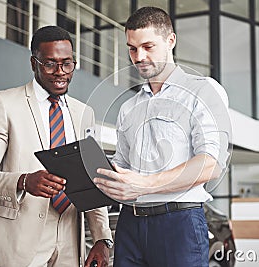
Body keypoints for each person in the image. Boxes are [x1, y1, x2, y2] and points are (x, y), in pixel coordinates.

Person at [94, 6, 230, 267]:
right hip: (130, 224)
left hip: (179, 224)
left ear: (171, 41)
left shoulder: (204, 90)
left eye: (148, 46)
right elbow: (123, 166)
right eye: (132, 48)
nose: (139, 57)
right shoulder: (128, 107)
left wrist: (144, 185)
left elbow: (211, 164)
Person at [0, 26, 112, 267]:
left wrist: (101, 239)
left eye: (67, 64)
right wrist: (23, 181)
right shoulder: (4, 104)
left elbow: (92, 180)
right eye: (50, 64)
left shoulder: (84, 113)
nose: (60, 72)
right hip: (17, 245)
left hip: (69, 244)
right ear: (34, 63)